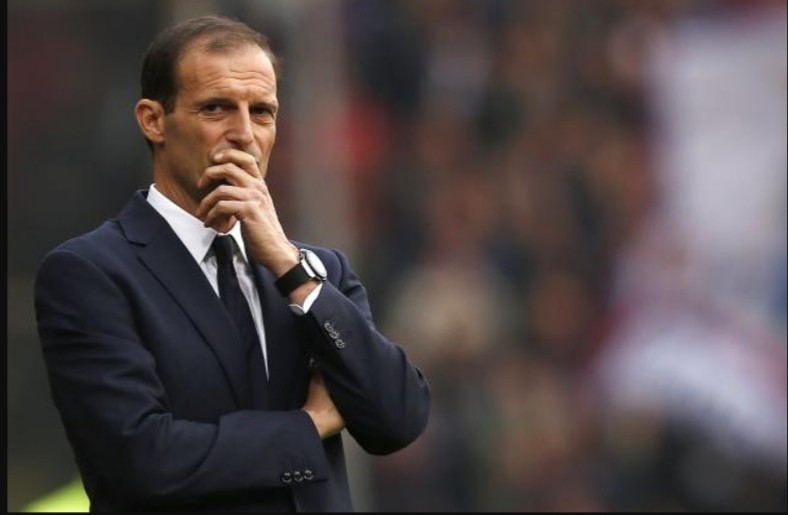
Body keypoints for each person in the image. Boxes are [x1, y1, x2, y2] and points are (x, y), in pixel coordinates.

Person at [34, 14, 430, 512]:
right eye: (216, 108)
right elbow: (142, 460)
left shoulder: (316, 272)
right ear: (153, 120)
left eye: (262, 112)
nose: (243, 133)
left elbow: (398, 418)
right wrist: (308, 427)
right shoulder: (90, 273)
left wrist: (290, 268)